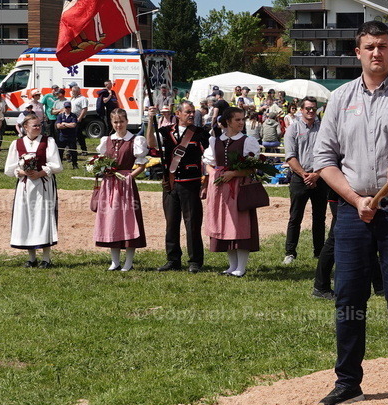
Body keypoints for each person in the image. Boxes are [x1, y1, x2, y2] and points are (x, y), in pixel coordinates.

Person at [312, 20, 388, 405]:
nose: (376, 52)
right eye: (369, 47)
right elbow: (324, 160)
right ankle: (348, 381)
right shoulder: (340, 97)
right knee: (348, 296)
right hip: (353, 210)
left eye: (382, 46)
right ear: (357, 52)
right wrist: (353, 198)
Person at [150, 100, 209, 273]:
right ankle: (173, 259)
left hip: (190, 184)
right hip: (170, 183)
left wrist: (205, 181)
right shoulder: (166, 132)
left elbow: (209, 158)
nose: (191, 115)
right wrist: (150, 119)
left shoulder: (200, 133)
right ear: (178, 114)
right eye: (188, 112)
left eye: (193, 112)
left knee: (192, 223)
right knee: (171, 222)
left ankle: (195, 261)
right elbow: (151, 144)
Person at [204, 107, 262, 276]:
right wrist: (215, 173)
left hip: (239, 188)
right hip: (221, 188)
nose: (241, 123)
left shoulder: (247, 141)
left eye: (242, 119)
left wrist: (234, 173)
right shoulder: (215, 141)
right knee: (225, 225)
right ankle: (232, 265)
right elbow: (208, 163)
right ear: (228, 122)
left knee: (240, 225)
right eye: (237, 120)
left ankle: (241, 267)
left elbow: (252, 167)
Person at [5, 114, 63, 267]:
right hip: (25, 186)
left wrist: (40, 173)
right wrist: (23, 172)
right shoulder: (17, 144)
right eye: (35, 125)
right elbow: (9, 169)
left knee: (43, 217)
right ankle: (31, 258)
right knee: (27, 218)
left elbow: (57, 165)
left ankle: (46, 258)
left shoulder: (48, 142)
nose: (38, 128)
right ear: (25, 127)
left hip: (43, 185)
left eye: (39, 125)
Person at [94, 109, 148, 271]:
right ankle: (115, 261)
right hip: (109, 185)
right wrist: (102, 169)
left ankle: (129, 262)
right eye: (116, 122)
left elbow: (142, 164)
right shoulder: (107, 140)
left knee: (128, 220)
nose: (119, 125)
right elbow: (101, 161)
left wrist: (130, 176)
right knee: (111, 221)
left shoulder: (135, 140)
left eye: (122, 121)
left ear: (126, 121)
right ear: (112, 123)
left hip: (126, 185)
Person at [283, 96, 327, 265]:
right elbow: (290, 156)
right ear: (301, 110)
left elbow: (328, 153)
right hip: (299, 179)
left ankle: (319, 251)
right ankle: (290, 252)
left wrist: (316, 174)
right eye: (307, 108)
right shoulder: (293, 129)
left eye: (313, 108)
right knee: (295, 217)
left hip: (320, 178)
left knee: (319, 217)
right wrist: (304, 175)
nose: (310, 111)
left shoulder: (323, 128)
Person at [64, 83, 89, 154]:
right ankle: (73, 150)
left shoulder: (83, 99)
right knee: (72, 135)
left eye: (74, 91)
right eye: (72, 91)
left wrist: (80, 118)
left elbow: (84, 109)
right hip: (72, 118)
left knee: (79, 134)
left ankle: (84, 150)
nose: (72, 93)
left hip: (79, 119)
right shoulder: (73, 99)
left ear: (78, 91)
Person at [55, 101, 80, 169]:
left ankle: (74, 164)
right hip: (62, 136)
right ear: (64, 108)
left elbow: (74, 125)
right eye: (66, 107)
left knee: (73, 151)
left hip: (71, 136)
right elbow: (58, 126)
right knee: (60, 151)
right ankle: (59, 165)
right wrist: (68, 125)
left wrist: (64, 124)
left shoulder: (73, 115)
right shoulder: (60, 115)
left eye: (69, 107)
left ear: (71, 108)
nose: (67, 108)